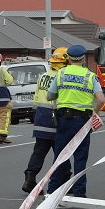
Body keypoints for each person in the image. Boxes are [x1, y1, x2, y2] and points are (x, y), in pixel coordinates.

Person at [46, 44, 105, 198]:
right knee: (80, 158)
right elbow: (100, 100)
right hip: (83, 122)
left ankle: (52, 191)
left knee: (60, 155)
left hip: (64, 120)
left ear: (69, 58)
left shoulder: (61, 73)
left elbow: (49, 96)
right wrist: (95, 113)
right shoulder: (90, 76)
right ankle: (79, 193)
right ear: (84, 59)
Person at [21, 47, 68, 193]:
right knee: (62, 151)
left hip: (41, 117)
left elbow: (36, 100)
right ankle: (66, 179)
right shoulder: (62, 77)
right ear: (65, 62)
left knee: (39, 151)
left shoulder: (43, 76)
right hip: (55, 118)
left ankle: (30, 178)